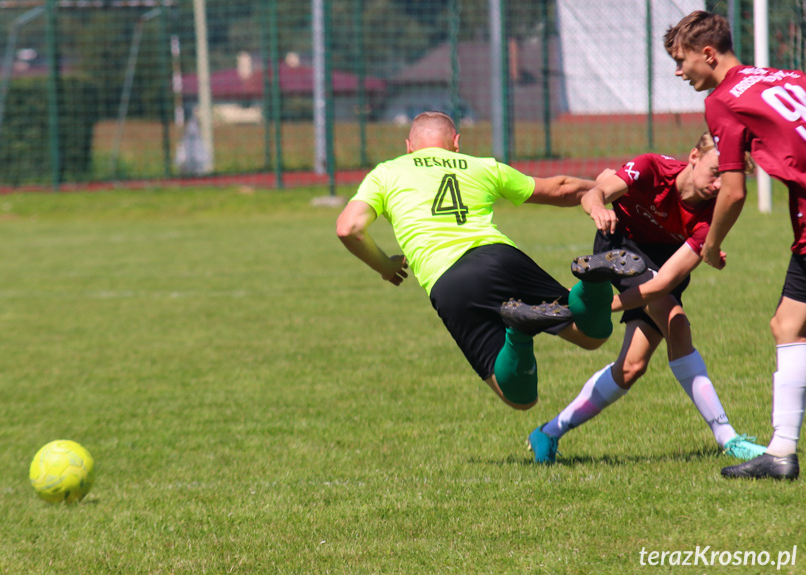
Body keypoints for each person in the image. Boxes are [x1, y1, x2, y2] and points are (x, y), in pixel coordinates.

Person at [336, 111, 645, 412]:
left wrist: (387, 267)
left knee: (520, 398)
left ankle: (519, 331)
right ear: (456, 142)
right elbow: (560, 188)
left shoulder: (387, 172)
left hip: (449, 281)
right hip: (502, 259)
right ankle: (593, 279)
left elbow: (348, 228)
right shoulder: (480, 166)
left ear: (408, 147)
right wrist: (607, 187)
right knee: (591, 335)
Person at [526, 133, 766, 464]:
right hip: (620, 246)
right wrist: (598, 207)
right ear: (694, 156)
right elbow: (596, 191)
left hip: (662, 263)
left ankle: (548, 432)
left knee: (632, 367)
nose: (718, 185)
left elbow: (664, 281)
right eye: (715, 172)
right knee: (676, 322)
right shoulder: (651, 168)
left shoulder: (714, 215)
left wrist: (599, 307)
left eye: (729, 179)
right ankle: (729, 438)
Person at [664, 11, 806, 480]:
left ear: (709, 54)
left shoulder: (724, 100)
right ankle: (781, 451)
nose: (680, 72)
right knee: (788, 323)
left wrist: (709, 245)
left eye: (683, 61)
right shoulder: (787, 75)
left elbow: (733, 190)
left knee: (789, 324)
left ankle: (783, 452)